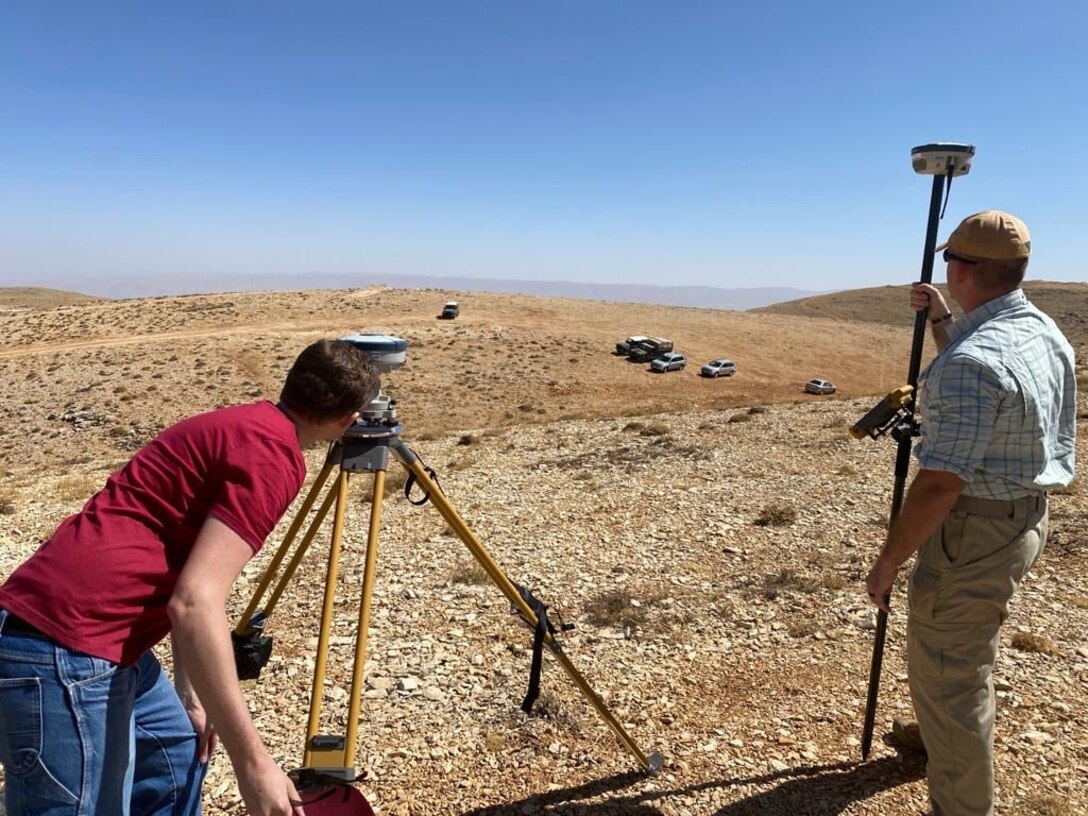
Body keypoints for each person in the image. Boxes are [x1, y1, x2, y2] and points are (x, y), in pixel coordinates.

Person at [0, 338, 380, 816]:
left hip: (94, 634)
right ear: (347, 420)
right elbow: (195, 602)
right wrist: (254, 765)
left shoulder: (240, 424)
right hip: (65, 650)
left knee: (177, 749)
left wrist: (190, 687)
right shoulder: (274, 457)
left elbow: (185, 570)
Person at [865, 210, 1076, 815]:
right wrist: (938, 318)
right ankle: (939, 733)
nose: (946, 268)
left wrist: (887, 564)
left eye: (949, 259)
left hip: (974, 528)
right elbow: (979, 372)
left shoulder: (972, 362)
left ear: (964, 270)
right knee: (960, 652)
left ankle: (958, 787)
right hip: (1022, 517)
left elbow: (938, 486)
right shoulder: (1037, 329)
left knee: (950, 673)